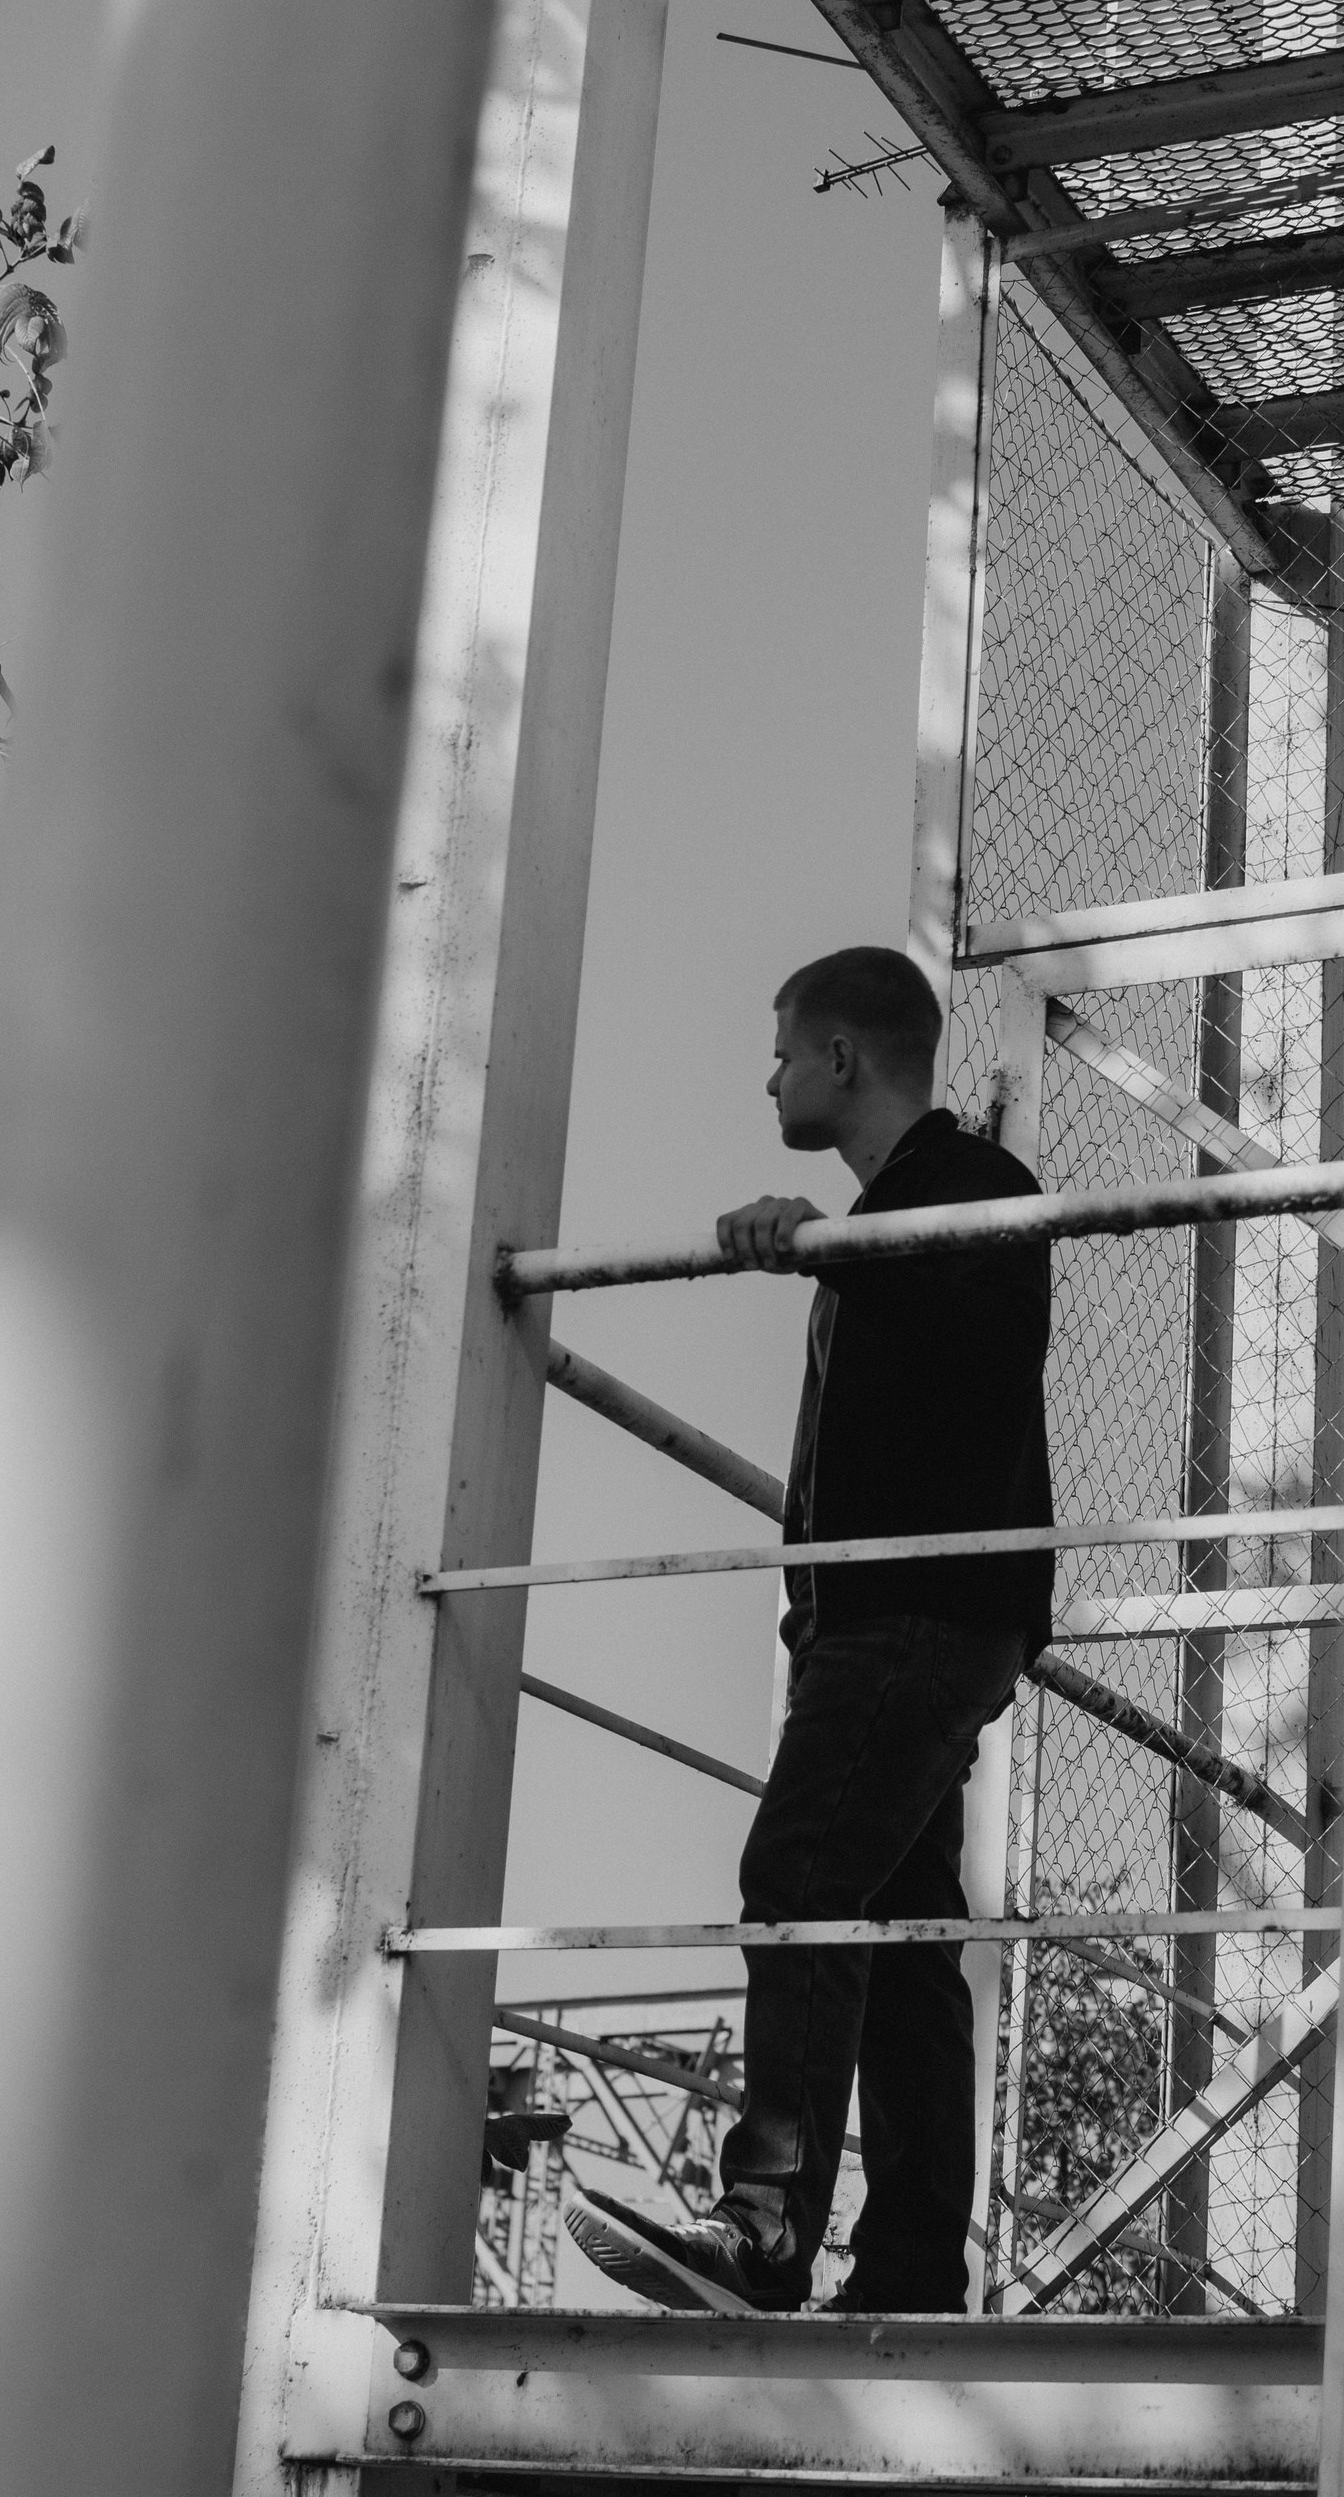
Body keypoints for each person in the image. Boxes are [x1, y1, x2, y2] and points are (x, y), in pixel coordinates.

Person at [565, 946, 1053, 2315]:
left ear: (842, 1058)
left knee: (800, 1874)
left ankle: (765, 2228)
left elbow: (983, 1347)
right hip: (896, 1616)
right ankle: (908, 2270)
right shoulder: (903, 1206)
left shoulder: (970, 1187)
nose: (768, 1076)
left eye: (783, 1050)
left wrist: (831, 1246)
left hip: (916, 1613)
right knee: (900, 1934)